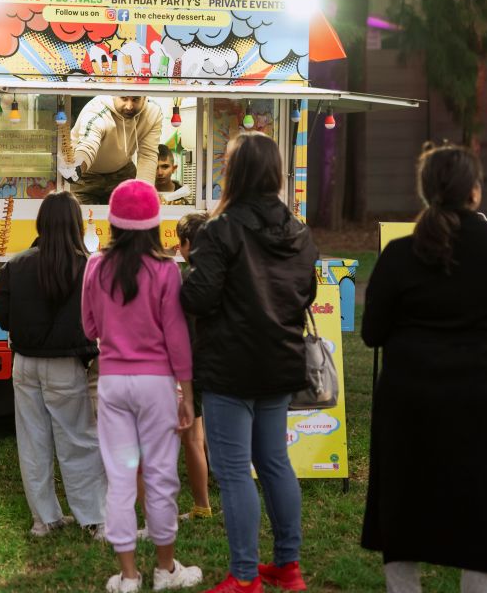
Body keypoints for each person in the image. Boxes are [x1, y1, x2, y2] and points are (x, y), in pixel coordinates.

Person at [360, 143, 487, 593]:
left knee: (405, 507)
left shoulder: (400, 254)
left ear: (426, 193)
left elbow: (372, 331)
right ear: (474, 193)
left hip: (411, 401)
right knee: (484, 512)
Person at [180, 132, 318, 593]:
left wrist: (182, 280)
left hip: (231, 366)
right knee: (275, 462)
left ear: (232, 173)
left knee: (235, 469)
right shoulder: (299, 231)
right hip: (280, 361)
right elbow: (307, 293)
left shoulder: (220, 230)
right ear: (276, 173)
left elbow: (199, 297)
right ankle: (288, 566)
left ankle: (243, 576)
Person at [82, 179, 203, 593]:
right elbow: (177, 338)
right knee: (161, 475)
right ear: (156, 224)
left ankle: (128, 576)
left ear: (113, 222)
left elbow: (89, 326)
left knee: (119, 477)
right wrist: (186, 393)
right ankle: (165, 570)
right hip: (157, 385)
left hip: (113, 382)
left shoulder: (95, 265)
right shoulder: (168, 270)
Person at [0, 191, 107, 540]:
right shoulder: (88, 266)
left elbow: (1, 316)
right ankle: (93, 520)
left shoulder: (15, 264)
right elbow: (99, 319)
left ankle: (45, 519)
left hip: (24, 364)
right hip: (68, 365)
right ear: (75, 224)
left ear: (41, 222)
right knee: (78, 443)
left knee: (33, 443)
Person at [175, 211, 211, 522]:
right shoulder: (225, 273)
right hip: (222, 364)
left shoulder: (187, 279)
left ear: (187, 243)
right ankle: (205, 502)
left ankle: (202, 504)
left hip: (192, 368)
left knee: (191, 439)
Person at [60, 95, 162, 204]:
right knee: (83, 218)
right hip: (85, 176)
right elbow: (87, 146)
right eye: (124, 98)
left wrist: (145, 194)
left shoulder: (153, 112)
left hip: (122, 171)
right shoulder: (96, 111)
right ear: (113, 95)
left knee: (130, 215)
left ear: (144, 97)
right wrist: (77, 167)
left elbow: (148, 155)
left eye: (135, 99)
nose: (129, 106)